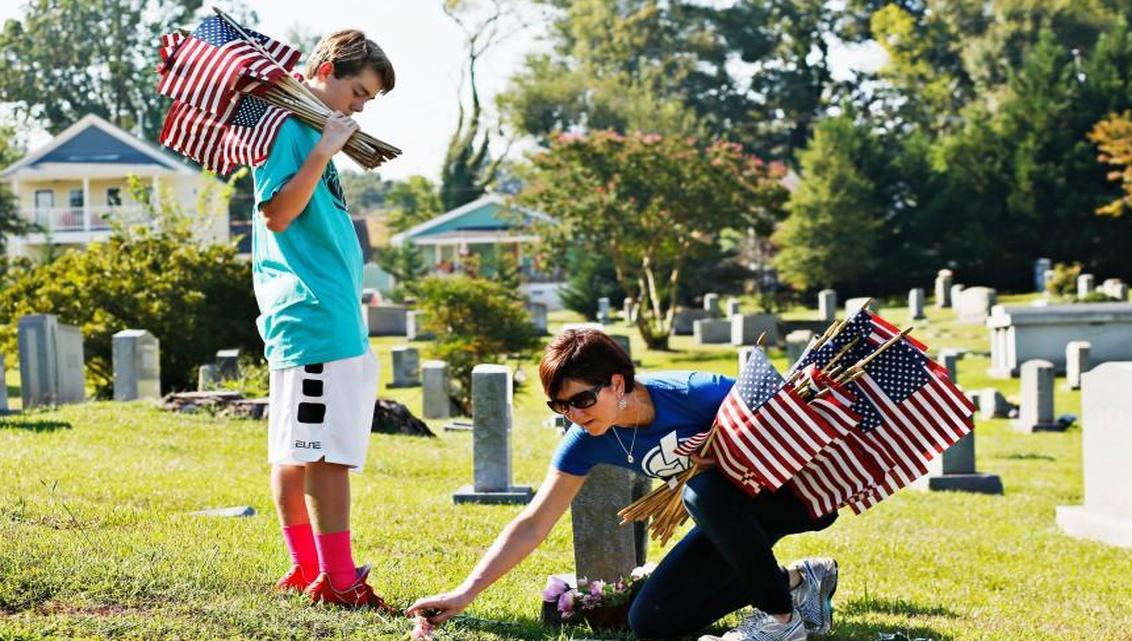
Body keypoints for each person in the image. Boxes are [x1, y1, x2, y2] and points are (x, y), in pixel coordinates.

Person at [408, 329, 841, 640]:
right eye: (560, 406)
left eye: (581, 400)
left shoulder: (698, 393)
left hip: (793, 494)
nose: (573, 415)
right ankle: (801, 582)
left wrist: (734, 456)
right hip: (728, 520)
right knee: (652, 621)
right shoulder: (586, 442)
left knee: (700, 492)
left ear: (618, 383)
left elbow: (794, 419)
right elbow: (533, 524)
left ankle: (782, 621)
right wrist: (464, 593)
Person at [252, 29, 396, 609]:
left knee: (296, 449)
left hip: (323, 314)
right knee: (325, 455)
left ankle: (309, 568)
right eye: (358, 91)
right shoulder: (289, 127)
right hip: (314, 316)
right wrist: (324, 149)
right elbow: (278, 213)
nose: (359, 106)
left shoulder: (309, 125)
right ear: (329, 68)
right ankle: (339, 582)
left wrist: (327, 142)